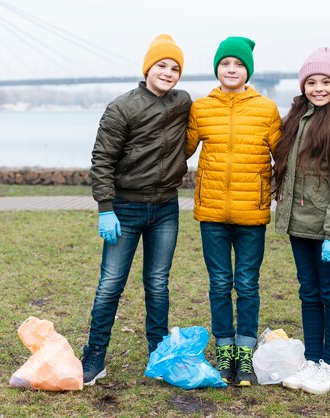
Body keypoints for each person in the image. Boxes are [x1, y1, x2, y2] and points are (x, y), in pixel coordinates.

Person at [81, 34, 192, 386]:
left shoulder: (183, 103)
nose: (168, 72)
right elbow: (102, 159)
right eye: (162, 65)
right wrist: (105, 208)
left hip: (166, 208)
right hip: (125, 209)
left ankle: (159, 356)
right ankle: (94, 358)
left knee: (158, 284)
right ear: (148, 68)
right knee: (110, 285)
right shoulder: (122, 107)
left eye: (175, 68)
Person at [186, 36, 281, 386]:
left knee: (247, 284)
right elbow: (179, 148)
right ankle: (224, 349)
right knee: (219, 284)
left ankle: (246, 352)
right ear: (217, 69)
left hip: (251, 214)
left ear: (248, 71)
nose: (231, 69)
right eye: (225, 63)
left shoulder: (266, 109)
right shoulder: (201, 107)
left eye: (238, 64)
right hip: (211, 213)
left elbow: (283, 157)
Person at [273, 47, 330, 395]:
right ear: (304, 86)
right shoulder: (297, 119)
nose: (319, 88)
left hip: (328, 230)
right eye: (312, 82)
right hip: (300, 225)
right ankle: (312, 360)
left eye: (326, 82)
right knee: (309, 293)